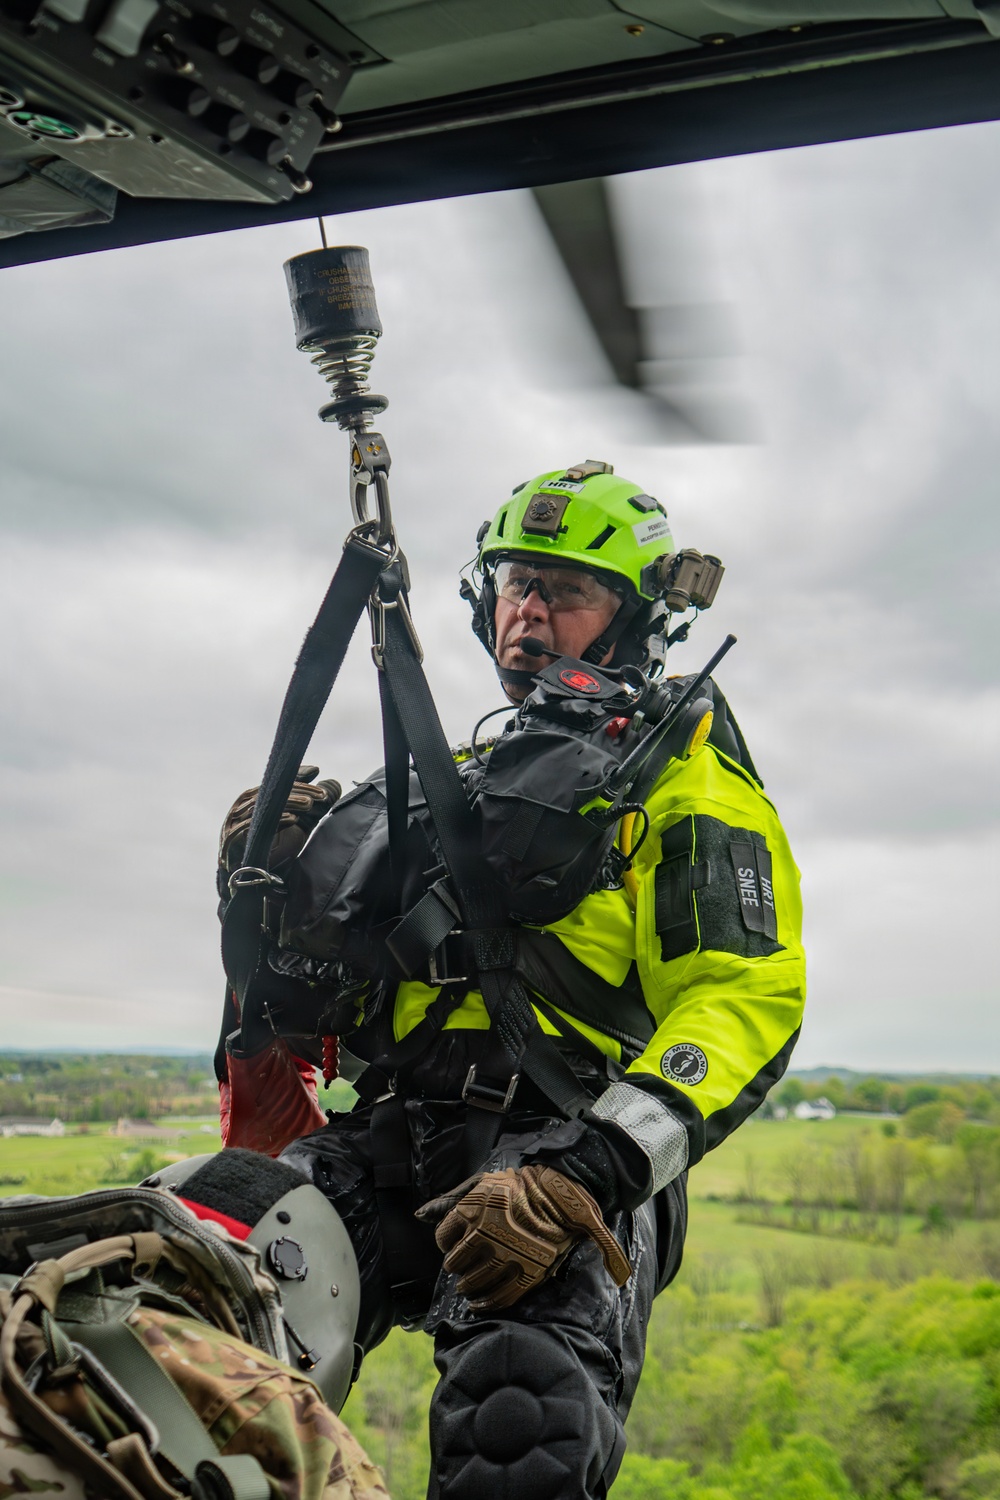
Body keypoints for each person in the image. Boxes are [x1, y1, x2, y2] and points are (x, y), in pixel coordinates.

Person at [217, 461, 806, 1500]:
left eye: (565, 591)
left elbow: (741, 997)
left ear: (636, 618)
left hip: (564, 1160)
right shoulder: (447, 782)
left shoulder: (685, 779)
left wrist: (592, 1170)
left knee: (516, 1418)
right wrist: (265, 886)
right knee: (185, 1271)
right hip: (391, 1140)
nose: (527, 612)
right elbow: (325, 1008)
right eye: (514, 585)